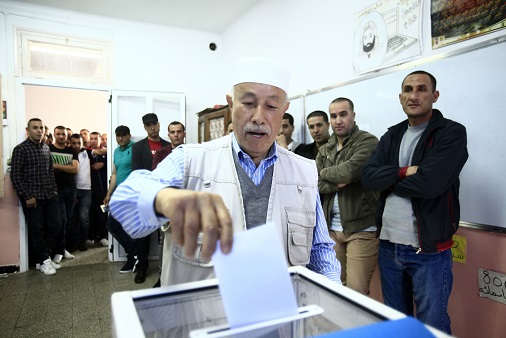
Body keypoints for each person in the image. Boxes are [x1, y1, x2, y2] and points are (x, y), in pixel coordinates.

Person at [110, 56, 341, 287]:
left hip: (279, 317)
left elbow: (320, 250)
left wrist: (336, 295)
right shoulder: (191, 160)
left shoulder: (304, 172)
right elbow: (124, 201)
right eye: (248, 103)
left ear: (284, 110)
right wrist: (164, 199)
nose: (259, 117)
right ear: (231, 104)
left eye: (271, 106)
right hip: (203, 318)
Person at [361, 70, 468, 334]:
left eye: (421, 89)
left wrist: (388, 178)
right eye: (408, 89)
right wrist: (404, 170)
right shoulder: (392, 135)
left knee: (433, 327)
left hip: (428, 249)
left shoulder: (451, 133)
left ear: (435, 95)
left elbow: (429, 185)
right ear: (400, 97)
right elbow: (368, 177)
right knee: (397, 325)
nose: (414, 95)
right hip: (388, 246)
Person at [316, 98, 379, 295]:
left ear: (353, 115)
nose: (338, 120)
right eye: (333, 116)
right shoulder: (326, 148)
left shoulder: (367, 141)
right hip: (332, 230)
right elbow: (314, 181)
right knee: (335, 291)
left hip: (361, 229)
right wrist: (335, 178)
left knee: (355, 293)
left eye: (343, 114)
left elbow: (350, 171)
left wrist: (324, 172)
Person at [11, 118, 62, 275]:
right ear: (28, 130)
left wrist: (54, 190)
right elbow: (16, 175)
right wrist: (27, 196)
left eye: (41, 127)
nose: (39, 130)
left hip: (49, 194)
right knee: (37, 229)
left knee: (56, 225)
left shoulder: (46, 148)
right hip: (32, 197)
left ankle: (43, 258)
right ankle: (45, 262)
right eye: (35, 128)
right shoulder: (21, 149)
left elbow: (50, 172)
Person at [130, 113, 170, 284]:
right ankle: (142, 267)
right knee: (143, 235)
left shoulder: (169, 146)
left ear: (159, 125)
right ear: (145, 127)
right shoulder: (139, 147)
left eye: (154, 124)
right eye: (149, 125)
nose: (152, 127)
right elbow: (136, 172)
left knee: (165, 235)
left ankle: (166, 270)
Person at [150, 121, 186, 287]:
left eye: (179, 131)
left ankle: (181, 277)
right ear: (168, 134)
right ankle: (162, 277)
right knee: (164, 241)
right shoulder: (161, 153)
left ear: (184, 133)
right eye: (173, 132)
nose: (176, 135)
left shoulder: (191, 151)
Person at [103, 126, 138, 274]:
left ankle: (134, 256)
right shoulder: (116, 151)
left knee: (116, 225)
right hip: (119, 194)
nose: (121, 138)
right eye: (118, 135)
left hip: (132, 194)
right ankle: (134, 255)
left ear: (129, 135)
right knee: (113, 226)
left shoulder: (136, 148)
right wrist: (109, 194)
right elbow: (115, 174)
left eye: (124, 135)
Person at [49, 125, 79, 262]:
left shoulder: (71, 150)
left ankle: (62, 248)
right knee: (61, 221)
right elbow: (47, 169)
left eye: (63, 134)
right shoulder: (48, 149)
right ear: (54, 134)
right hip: (56, 189)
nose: (61, 136)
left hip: (71, 189)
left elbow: (75, 170)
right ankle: (58, 250)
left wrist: (56, 166)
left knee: (68, 221)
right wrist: (66, 167)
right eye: (59, 134)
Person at [69, 134, 92, 252]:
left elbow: (103, 151)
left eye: (79, 143)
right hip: (72, 190)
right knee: (71, 219)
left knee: (84, 218)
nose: (77, 145)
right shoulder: (68, 154)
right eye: (74, 143)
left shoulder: (87, 153)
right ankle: (72, 244)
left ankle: (82, 242)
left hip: (86, 190)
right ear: (70, 143)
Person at [87, 132, 109, 247]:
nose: (93, 140)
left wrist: (103, 165)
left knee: (103, 213)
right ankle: (91, 236)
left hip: (103, 190)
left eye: (96, 138)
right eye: (91, 138)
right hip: (89, 190)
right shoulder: (86, 152)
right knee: (90, 214)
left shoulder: (107, 153)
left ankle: (103, 236)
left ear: (100, 140)